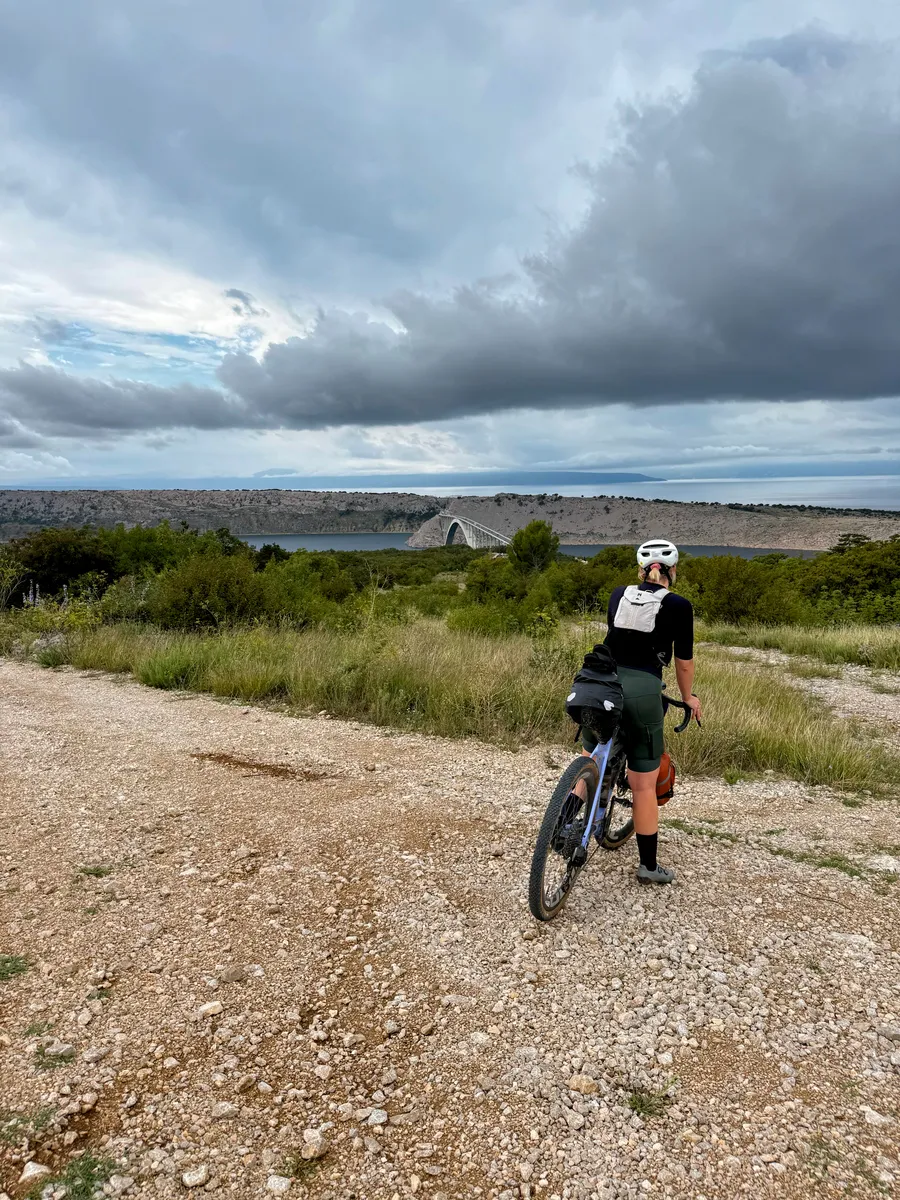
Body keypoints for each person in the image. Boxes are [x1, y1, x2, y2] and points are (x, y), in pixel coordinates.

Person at [581, 539, 701, 885]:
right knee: (643, 784)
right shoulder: (680, 605)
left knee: (590, 754)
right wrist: (688, 697)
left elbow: (618, 638)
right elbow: (683, 661)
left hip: (598, 684)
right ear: (673, 571)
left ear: (641, 570)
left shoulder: (619, 594)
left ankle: (570, 822)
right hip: (642, 691)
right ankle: (648, 866)